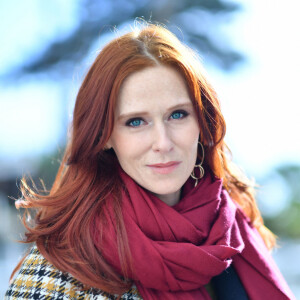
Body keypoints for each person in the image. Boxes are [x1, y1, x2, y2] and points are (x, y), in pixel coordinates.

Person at [5, 23, 295, 300]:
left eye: (178, 114)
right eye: (135, 122)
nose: (163, 142)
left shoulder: (236, 228)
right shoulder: (58, 273)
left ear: (202, 122)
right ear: (104, 135)